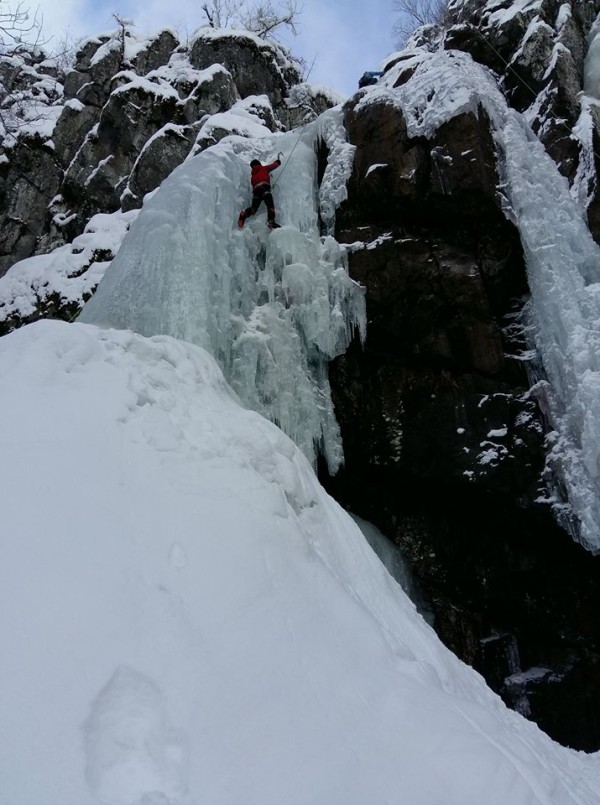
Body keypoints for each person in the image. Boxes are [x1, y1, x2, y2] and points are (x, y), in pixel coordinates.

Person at [238, 153, 283, 229]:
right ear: (259, 164)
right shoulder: (264, 168)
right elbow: (273, 166)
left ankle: (245, 213)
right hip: (264, 187)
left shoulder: (253, 176)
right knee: (269, 203)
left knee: (253, 208)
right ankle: (271, 221)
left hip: (256, 191)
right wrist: (278, 162)